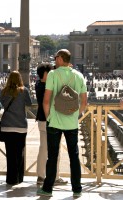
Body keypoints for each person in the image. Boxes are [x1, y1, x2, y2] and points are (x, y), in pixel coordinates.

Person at [37, 49, 87, 197]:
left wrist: (49, 117)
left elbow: (46, 101)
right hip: (71, 123)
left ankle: (48, 188)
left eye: (55, 57)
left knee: (52, 156)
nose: (54, 60)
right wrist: (75, 115)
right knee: (74, 156)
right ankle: (77, 188)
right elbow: (84, 102)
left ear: (60, 59)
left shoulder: (53, 74)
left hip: (54, 122)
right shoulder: (79, 76)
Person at [35, 63, 68, 185]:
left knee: (43, 148)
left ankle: (41, 176)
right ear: (45, 74)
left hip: (42, 120)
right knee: (55, 150)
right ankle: (54, 177)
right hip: (51, 120)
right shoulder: (46, 86)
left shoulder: (39, 84)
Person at [0, 71, 32, 185]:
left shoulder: (4, 91)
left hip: (7, 126)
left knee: (10, 154)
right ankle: (19, 177)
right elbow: (29, 103)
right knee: (19, 153)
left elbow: (1, 105)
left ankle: (11, 179)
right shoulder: (24, 91)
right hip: (20, 126)